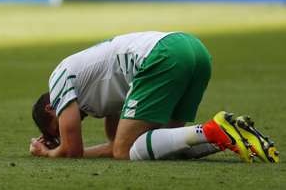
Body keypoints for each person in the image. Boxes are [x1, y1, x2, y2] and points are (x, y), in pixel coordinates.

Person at [30, 31, 279, 163]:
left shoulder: (59, 78)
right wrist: (69, 148)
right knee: (166, 147)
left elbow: (75, 151)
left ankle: (212, 131)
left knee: (125, 149)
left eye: (58, 129)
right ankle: (231, 134)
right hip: (193, 49)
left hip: (163, 56)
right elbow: (113, 145)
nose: (65, 131)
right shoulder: (96, 97)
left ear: (52, 107)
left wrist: (48, 152)